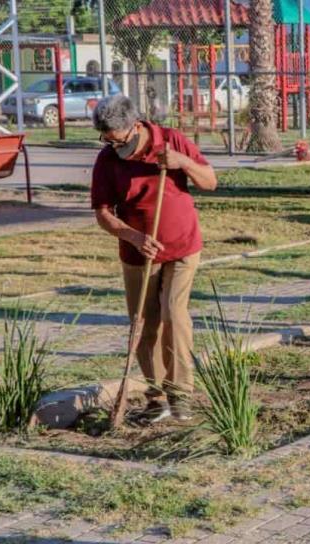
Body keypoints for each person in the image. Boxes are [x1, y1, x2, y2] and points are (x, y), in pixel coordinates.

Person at [90, 95, 218, 424]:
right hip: (137, 253)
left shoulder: (169, 140)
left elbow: (210, 181)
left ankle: (180, 395)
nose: (110, 144)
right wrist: (133, 236)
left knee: (174, 314)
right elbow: (102, 214)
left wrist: (182, 163)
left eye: (114, 138)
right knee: (144, 326)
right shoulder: (107, 160)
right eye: (105, 139)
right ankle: (157, 396)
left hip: (182, 245)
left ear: (133, 127)